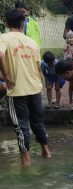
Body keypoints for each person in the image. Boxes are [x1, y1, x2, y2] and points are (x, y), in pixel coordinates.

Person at [0, 9, 51, 166]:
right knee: (37, 121)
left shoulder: (4, 38)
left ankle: (26, 161)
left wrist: (5, 76)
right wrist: (41, 85)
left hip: (17, 90)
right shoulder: (32, 42)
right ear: (23, 24)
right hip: (35, 88)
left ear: (7, 24)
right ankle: (46, 151)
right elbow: (38, 68)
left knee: (21, 126)